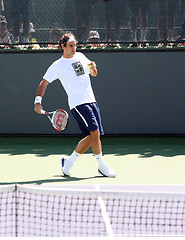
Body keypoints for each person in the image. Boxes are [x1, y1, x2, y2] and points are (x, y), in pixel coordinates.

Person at [34, 32, 116, 178]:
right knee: (95, 133)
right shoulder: (57, 66)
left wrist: (93, 68)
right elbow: (43, 83)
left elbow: (93, 73)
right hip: (78, 103)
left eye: (75, 45)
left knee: (93, 136)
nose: (74, 49)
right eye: (71, 46)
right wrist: (38, 103)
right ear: (63, 46)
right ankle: (102, 166)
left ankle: (68, 162)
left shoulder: (81, 56)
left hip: (91, 100)